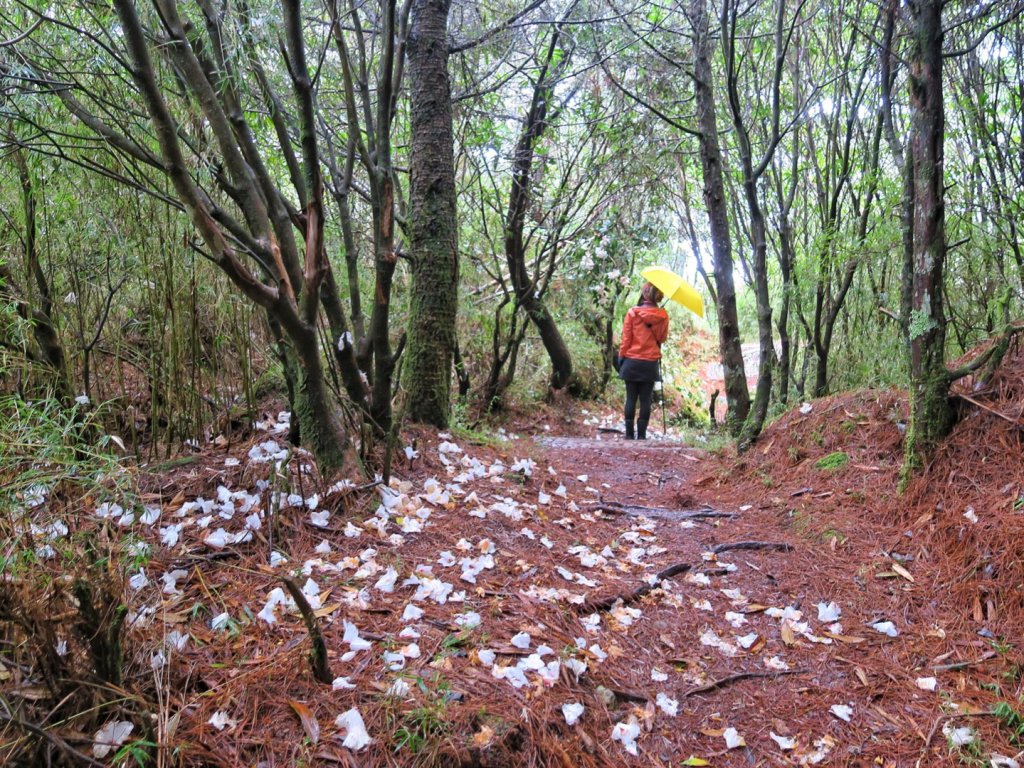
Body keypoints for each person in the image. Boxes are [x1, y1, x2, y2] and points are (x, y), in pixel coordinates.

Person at [617, 282, 669, 440]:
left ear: (644, 294)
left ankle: (628, 434)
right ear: (657, 297)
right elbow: (662, 338)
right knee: (646, 399)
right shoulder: (663, 316)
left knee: (631, 397)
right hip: (650, 363)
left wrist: (621, 357)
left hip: (631, 361)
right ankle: (641, 435)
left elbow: (626, 340)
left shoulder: (632, 313)